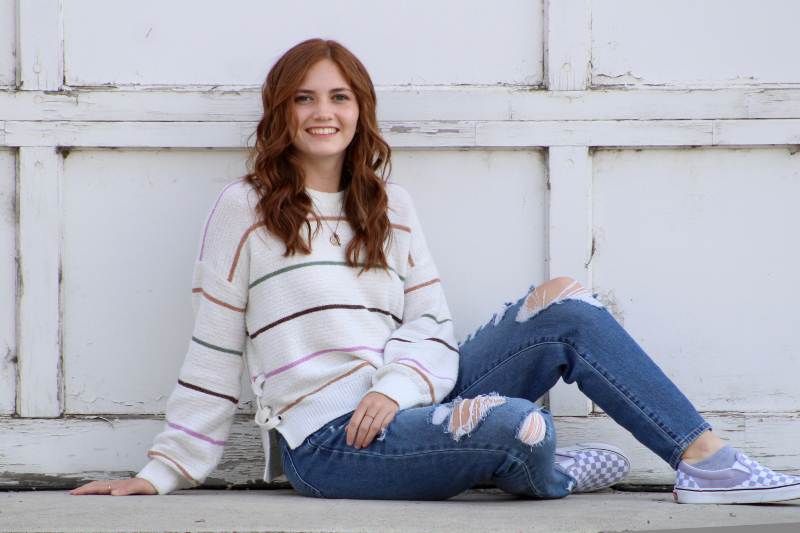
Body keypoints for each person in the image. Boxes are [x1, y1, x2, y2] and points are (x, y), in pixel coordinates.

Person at [71, 39, 799, 505]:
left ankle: (707, 462)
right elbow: (213, 350)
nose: (322, 112)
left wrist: (394, 386)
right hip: (330, 445)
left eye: (339, 96)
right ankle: (543, 467)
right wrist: (161, 471)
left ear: (360, 109)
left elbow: (431, 326)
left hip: (411, 396)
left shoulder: (389, 204)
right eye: (303, 97)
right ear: (281, 112)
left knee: (568, 309)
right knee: (517, 424)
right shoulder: (246, 210)